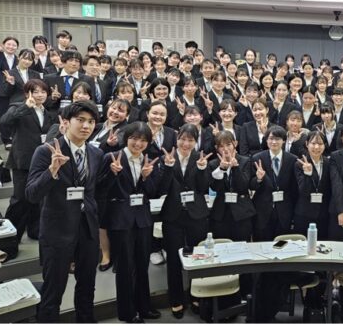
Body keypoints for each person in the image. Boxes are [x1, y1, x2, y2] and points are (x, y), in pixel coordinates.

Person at [27, 100, 102, 322]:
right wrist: (52, 170)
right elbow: (31, 194)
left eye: (91, 122)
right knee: (53, 291)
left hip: (87, 229)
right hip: (57, 231)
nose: (86, 126)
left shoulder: (96, 153)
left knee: (87, 287)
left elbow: (94, 191)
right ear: (66, 122)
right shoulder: (46, 151)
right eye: (80, 120)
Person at [102, 122, 164, 323]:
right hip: (121, 219)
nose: (138, 143)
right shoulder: (112, 157)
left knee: (142, 265)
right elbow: (102, 189)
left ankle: (144, 307)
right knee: (125, 267)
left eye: (143, 140)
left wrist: (146, 178)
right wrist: (112, 173)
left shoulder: (149, 161)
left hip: (143, 219)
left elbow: (153, 192)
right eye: (134, 139)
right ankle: (128, 312)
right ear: (126, 138)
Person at [160, 125, 211, 318]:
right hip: (172, 215)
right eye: (183, 139)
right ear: (177, 138)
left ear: (196, 141)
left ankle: (197, 296)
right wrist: (167, 167)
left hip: (196, 214)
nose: (186, 143)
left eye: (190, 140)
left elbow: (203, 188)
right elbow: (161, 189)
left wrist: (202, 169)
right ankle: (176, 299)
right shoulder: (168, 157)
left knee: (198, 256)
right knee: (174, 259)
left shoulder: (200, 158)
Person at [0, 80, 54, 260]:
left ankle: (34, 230)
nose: (39, 95)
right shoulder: (18, 107)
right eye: (35, 91)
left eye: (43, 91)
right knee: (20, 201)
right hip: (22, 162)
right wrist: (25, 106)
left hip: (41, 163)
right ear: (27, 93)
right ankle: (9, 242)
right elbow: (5, 121)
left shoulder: (47, 113)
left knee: (38, 198)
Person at [250, 126, 299, 241]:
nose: (274, 142)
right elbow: (251, 185)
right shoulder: (257, 158)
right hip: (262, 211)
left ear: (284, 140)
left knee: (282, 245)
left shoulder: (292, 159)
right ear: (266, 140)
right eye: (271, 138)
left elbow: (295, 188)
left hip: (285, 211)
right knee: (262, 244)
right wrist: (258, 179)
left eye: (277, 139)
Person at [208, 130, 255, 242]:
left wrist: (235, 167)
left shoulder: (245, 161)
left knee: (243, 246)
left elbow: (243, 186)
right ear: (216, 148)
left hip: (242, 212)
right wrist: (221, 169)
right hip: (220, 212)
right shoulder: (213, 164)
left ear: (235, 143)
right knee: (221, 245)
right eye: (221, 146)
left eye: (228, 144)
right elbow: (214, 188)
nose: (225, 149)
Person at [295, 131, 332, 238]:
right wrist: (308, 174)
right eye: (313, 143)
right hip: (304, 212)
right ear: (307, 144)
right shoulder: (299, 163)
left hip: (324, 212)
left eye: (320, 144)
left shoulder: (329, 163)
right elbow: (302, 191)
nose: (316, 147)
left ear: (324, 145)